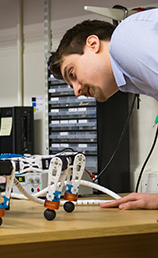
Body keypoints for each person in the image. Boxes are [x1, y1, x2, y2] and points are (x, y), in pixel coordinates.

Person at [49, 8, 158, 212]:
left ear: (93, 44)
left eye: (72, 73)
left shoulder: (124, 39)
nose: (77, 91)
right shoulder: (132, 81)